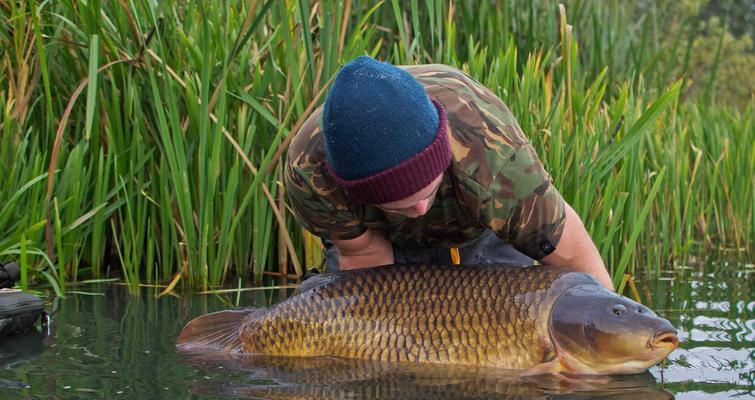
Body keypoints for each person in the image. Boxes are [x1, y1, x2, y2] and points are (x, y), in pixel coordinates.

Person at [284, 56, 613, 289]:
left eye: (426, 192)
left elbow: (569, 253)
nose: (419, 211)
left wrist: (612, 331)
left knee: (510, 325)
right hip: (380, 237)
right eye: (397, 204)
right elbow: (366, 258)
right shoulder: (310, 173)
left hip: (477, 218)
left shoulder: (493, 157)